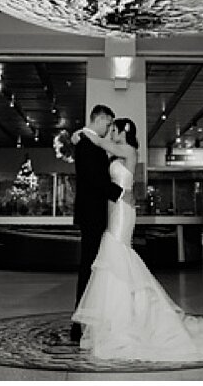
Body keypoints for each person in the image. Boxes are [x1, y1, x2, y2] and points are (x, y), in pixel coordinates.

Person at [71, 117, 203, 361]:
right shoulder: (116, 153)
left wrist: (81, 134)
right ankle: (118, 317)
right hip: (115, 209)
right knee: (114, 256)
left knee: (117, 253)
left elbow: (100, 142)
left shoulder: (128, 150)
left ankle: (125, 319)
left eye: (114, 129)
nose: (111, 132)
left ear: (122, 131)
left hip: (123, 212)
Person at [69, 104, 116, 343]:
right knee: (88, 266)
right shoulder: (87, 143)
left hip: (93, 214)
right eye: (108, 124)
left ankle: (87, 319)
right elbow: (95, 179)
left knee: (92, 266)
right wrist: (119, 193)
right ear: (99, 119)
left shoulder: (87, 141)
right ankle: (79, 324)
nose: (109, 129)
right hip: (91, 214)